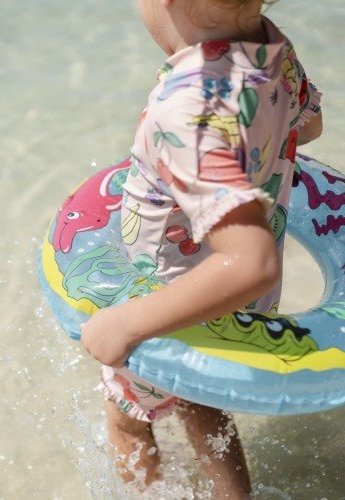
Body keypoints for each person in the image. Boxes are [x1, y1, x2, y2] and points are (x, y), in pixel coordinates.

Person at [79, 0, 323, 496]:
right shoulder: (271, 48)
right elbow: (309, 125)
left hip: (175, 299)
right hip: (231, 303)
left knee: (128, 418)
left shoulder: (189, 113)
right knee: (202, 399)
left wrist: (125, 323)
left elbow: (248, 262)